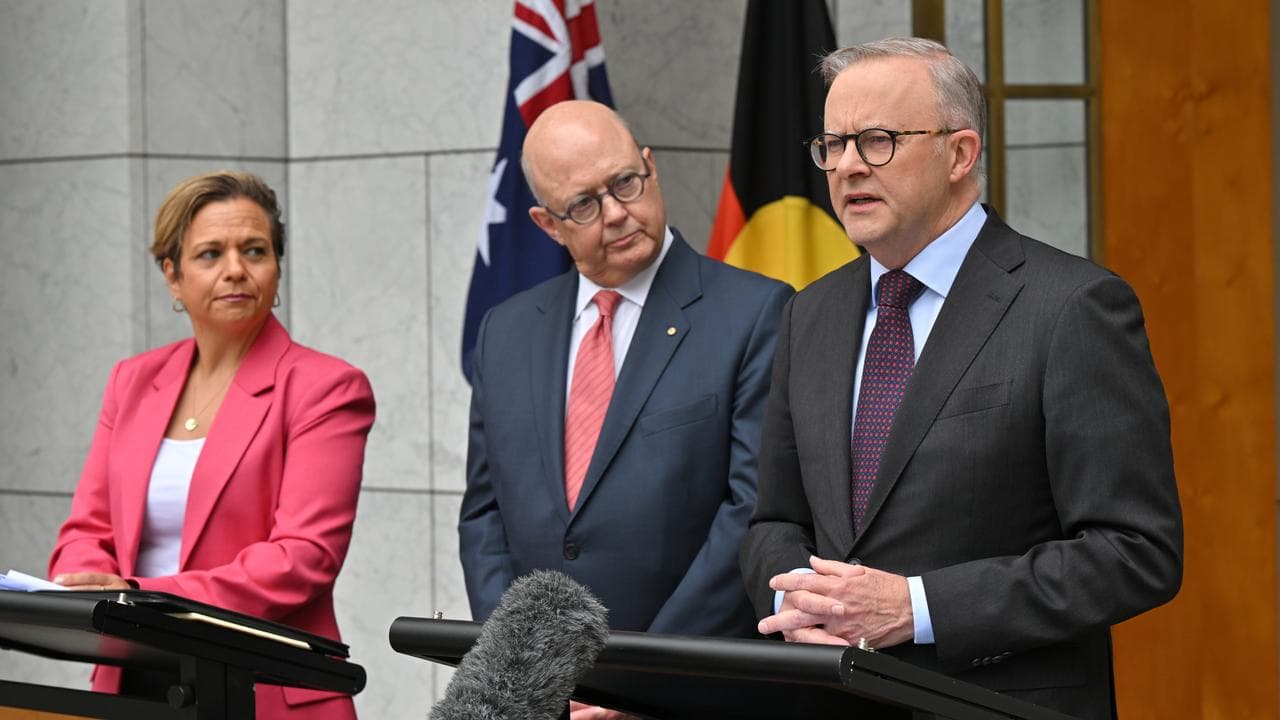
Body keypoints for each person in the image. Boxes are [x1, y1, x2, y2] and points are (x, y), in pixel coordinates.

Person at [739, 38, 1182, 719]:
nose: (848, 165)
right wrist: (799, 597)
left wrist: (914, 608)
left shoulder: (1072, 308)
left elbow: (1135, 552)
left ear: (960, 153)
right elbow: (776, 518)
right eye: (832, 144)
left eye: (878, 140)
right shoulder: (810, 314)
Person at [460, 100, 793, 716]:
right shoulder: (504, 330)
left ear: (650, 166)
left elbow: (751, 512)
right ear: (546, 224)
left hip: (689, 692)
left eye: (625, 183)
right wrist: (526, 667)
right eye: (584, 204)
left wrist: (644, 677)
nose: (616, 213)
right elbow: (484, 516)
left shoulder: (756, 313)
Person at [48, 171, 375, 720]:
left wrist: (139, 597)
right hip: (133, 679)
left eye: (255, 250)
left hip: (261, 686)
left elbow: (302, 558)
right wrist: (89, 581)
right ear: (172, 276)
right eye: (210, 254)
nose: (235, 270)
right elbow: (86, 530)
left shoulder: (326, 387)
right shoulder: (132, 381)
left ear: (277, 265)